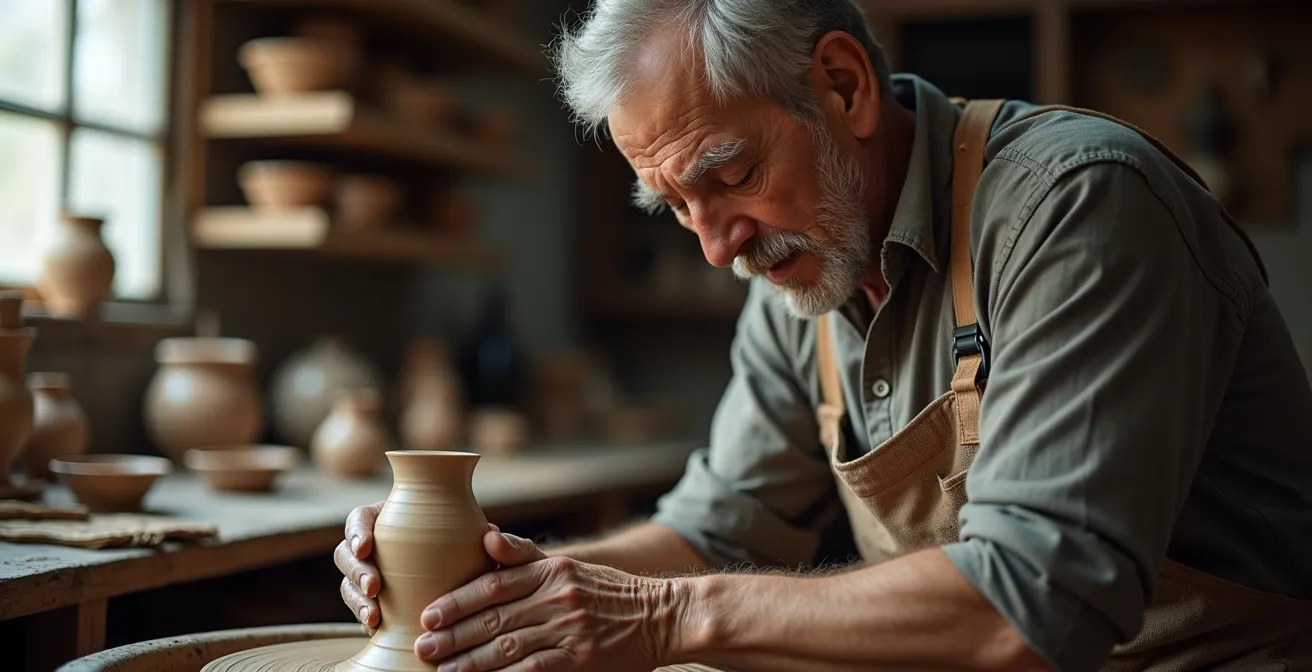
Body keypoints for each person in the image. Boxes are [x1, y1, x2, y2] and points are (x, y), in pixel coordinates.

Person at [335, 1, 1312, 670]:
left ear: (841, 86)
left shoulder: (1076, 207)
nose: (715, 247)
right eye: (672, 204)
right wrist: (498, 586)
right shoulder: (799, 277)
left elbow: (1033, 601)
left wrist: (671, 617)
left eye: (726, 175)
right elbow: (713, 532)